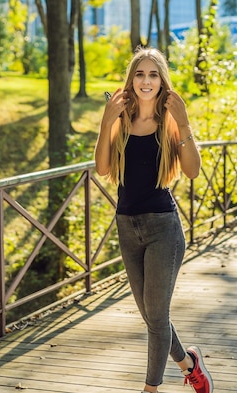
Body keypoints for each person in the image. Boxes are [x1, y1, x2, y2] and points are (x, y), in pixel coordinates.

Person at [94, 47, 213, 393]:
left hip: (163, 227)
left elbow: (191, 171)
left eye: (153, 75)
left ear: (162, 81)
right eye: (140, 74)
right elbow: (102, 168)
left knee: (157, 317)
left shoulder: (171, 121)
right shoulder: (120, 118)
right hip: (127, 225)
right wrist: (106, 120)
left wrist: (185, 121)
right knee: (152, 317)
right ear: (131, 80)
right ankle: (191, 364)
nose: (146, 81)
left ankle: (151, 389)